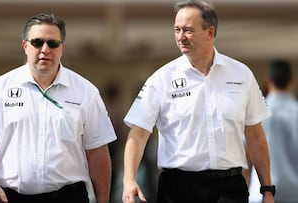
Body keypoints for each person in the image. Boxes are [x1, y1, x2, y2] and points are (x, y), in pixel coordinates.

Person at [121, 1, 275, 203]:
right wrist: (129, 180)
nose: (180, 37)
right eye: (177, 30)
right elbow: (138, 134)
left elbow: (255, 135)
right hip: (178, 189)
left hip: (229, 188)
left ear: (209, 33)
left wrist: (267, 189)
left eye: (188, 30)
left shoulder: (242, 74)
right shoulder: (161, 79)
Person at [0, 13, 117, 203]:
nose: (45, 49)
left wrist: (103, 201)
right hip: (12, 197)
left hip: (68, 197)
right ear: (25, 46)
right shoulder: (0, 88)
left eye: (52, 43)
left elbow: (97, 152)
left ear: (62, 47)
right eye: (37, 42)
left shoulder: (86, 92)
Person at [248, 59, 298, 203]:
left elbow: (247, 153)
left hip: (262, 193)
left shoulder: (257, 112)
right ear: (292, 79)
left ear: (268, 79)